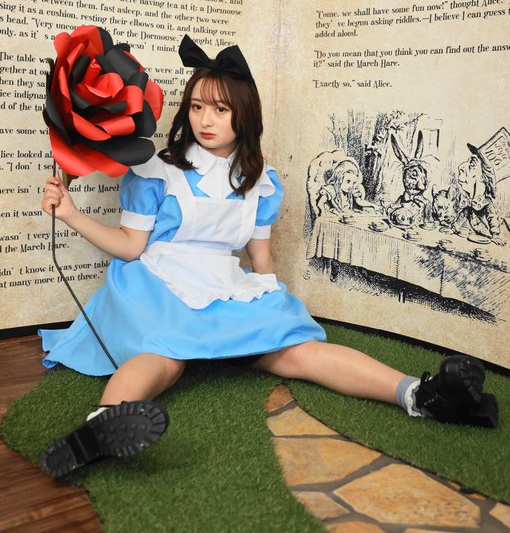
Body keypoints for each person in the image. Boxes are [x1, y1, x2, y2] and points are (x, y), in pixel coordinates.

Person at [39, 35, 498, 479]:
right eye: (196, 107)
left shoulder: (261, 181)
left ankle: (420, 395)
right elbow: (130, 246)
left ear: (244, 114)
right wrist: (72, 214)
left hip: (221, 283)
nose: (205, 120)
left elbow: (259, 254)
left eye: (220, 109)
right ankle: (101, 427)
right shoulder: (157, 171)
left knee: (296, 352)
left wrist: (273, 302)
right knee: (165, 357)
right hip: (157, 282)